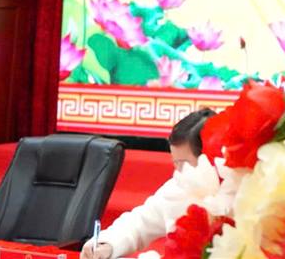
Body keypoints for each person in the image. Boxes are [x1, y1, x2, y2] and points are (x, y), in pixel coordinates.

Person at [81, 108, 217, 259]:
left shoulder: (233, 193)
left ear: (211, 155)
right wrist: (107, 244)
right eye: (175, 162)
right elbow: (139, 222)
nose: (179, 171)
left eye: (184, 163)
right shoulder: (178, 186)